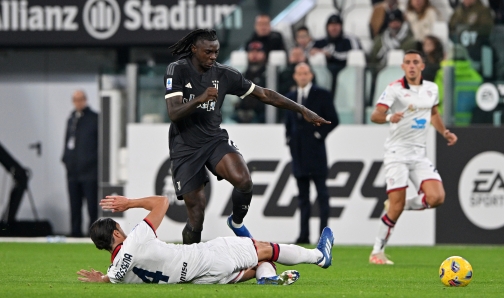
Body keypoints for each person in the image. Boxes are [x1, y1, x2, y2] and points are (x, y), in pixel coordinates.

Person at [164, 29, 330, 245]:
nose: (213, 57)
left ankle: (237, 222)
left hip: (213, 139)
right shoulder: (177, 70)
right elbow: (174, 112)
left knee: (244, 181)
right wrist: (200, 98)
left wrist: (302, 109)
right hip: (185, 145)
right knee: (197, 216)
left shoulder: (224, 74)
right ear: (194, 49)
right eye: (208, 52)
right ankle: (190, 263)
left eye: (216, 52)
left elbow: (264, 94)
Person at [77, 195, 334, 284]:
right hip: (206, 256)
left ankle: (266, 279)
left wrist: (101, 278)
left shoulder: (115, 274)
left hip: (202, 279)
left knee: (258, 264)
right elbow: (162, 202)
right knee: (266, 249)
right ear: (116, 234)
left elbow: (111, 275)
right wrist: (129, 203)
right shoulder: (135, 239)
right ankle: (320, 257)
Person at [368, 50, 458, 265]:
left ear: (422, 66)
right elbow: (375, 115)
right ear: (403, 67)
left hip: (419, 155)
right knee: (395, 209)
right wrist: (391, 116)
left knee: (437, 197)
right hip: (397, 154)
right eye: (407, 62)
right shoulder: (394, 89)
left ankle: (398, 204)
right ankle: (376, 252)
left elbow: (433, 113)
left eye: (415, 62)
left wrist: (444, 132)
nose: (411, 66)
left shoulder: (431, 89)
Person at [285, 63, 339, 244]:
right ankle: (304, 235)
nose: (302, 76)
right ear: (295, 76)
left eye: (305, 73)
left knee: (322, 195)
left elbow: (334, 119)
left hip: (316, 153)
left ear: (311, 75)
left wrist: (318, 135)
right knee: (302, 198)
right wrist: (289, 139)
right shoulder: (291, 97)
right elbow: (288, 123)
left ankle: (324, 235)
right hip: (298, 153)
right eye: (299, 73)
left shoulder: (321, 94)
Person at [61, 90, 98, 237]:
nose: (78, 102)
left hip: (90, 171)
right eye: (75, 100)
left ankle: (93, 235)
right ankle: (75, 233)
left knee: (92, 206)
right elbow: (67, 142)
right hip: (73, 171)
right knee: (74, 206)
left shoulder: (94, 119)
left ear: (85, 100)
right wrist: (65, 159)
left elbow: (99, 145)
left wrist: (91, 161)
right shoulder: (71, 119)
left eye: (80, 99)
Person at [311, 14, 361, 95]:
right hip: (325, 73)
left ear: (341, 26)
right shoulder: (320, 41)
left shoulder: (349, 39)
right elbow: (310, 51)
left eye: (336, 25)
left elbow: (356, 55)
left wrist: (331, 54)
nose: (334, 28)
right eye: (331, 25)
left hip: (345, 70)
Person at [232, 41, 267, 123]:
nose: (254, 54)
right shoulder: (243, 74)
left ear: (264, 54)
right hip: (242, 115)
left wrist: (254, 110)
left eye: (258, 51)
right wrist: (240, 109)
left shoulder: (269, 76)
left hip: (261, 115)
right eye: (251, 51)